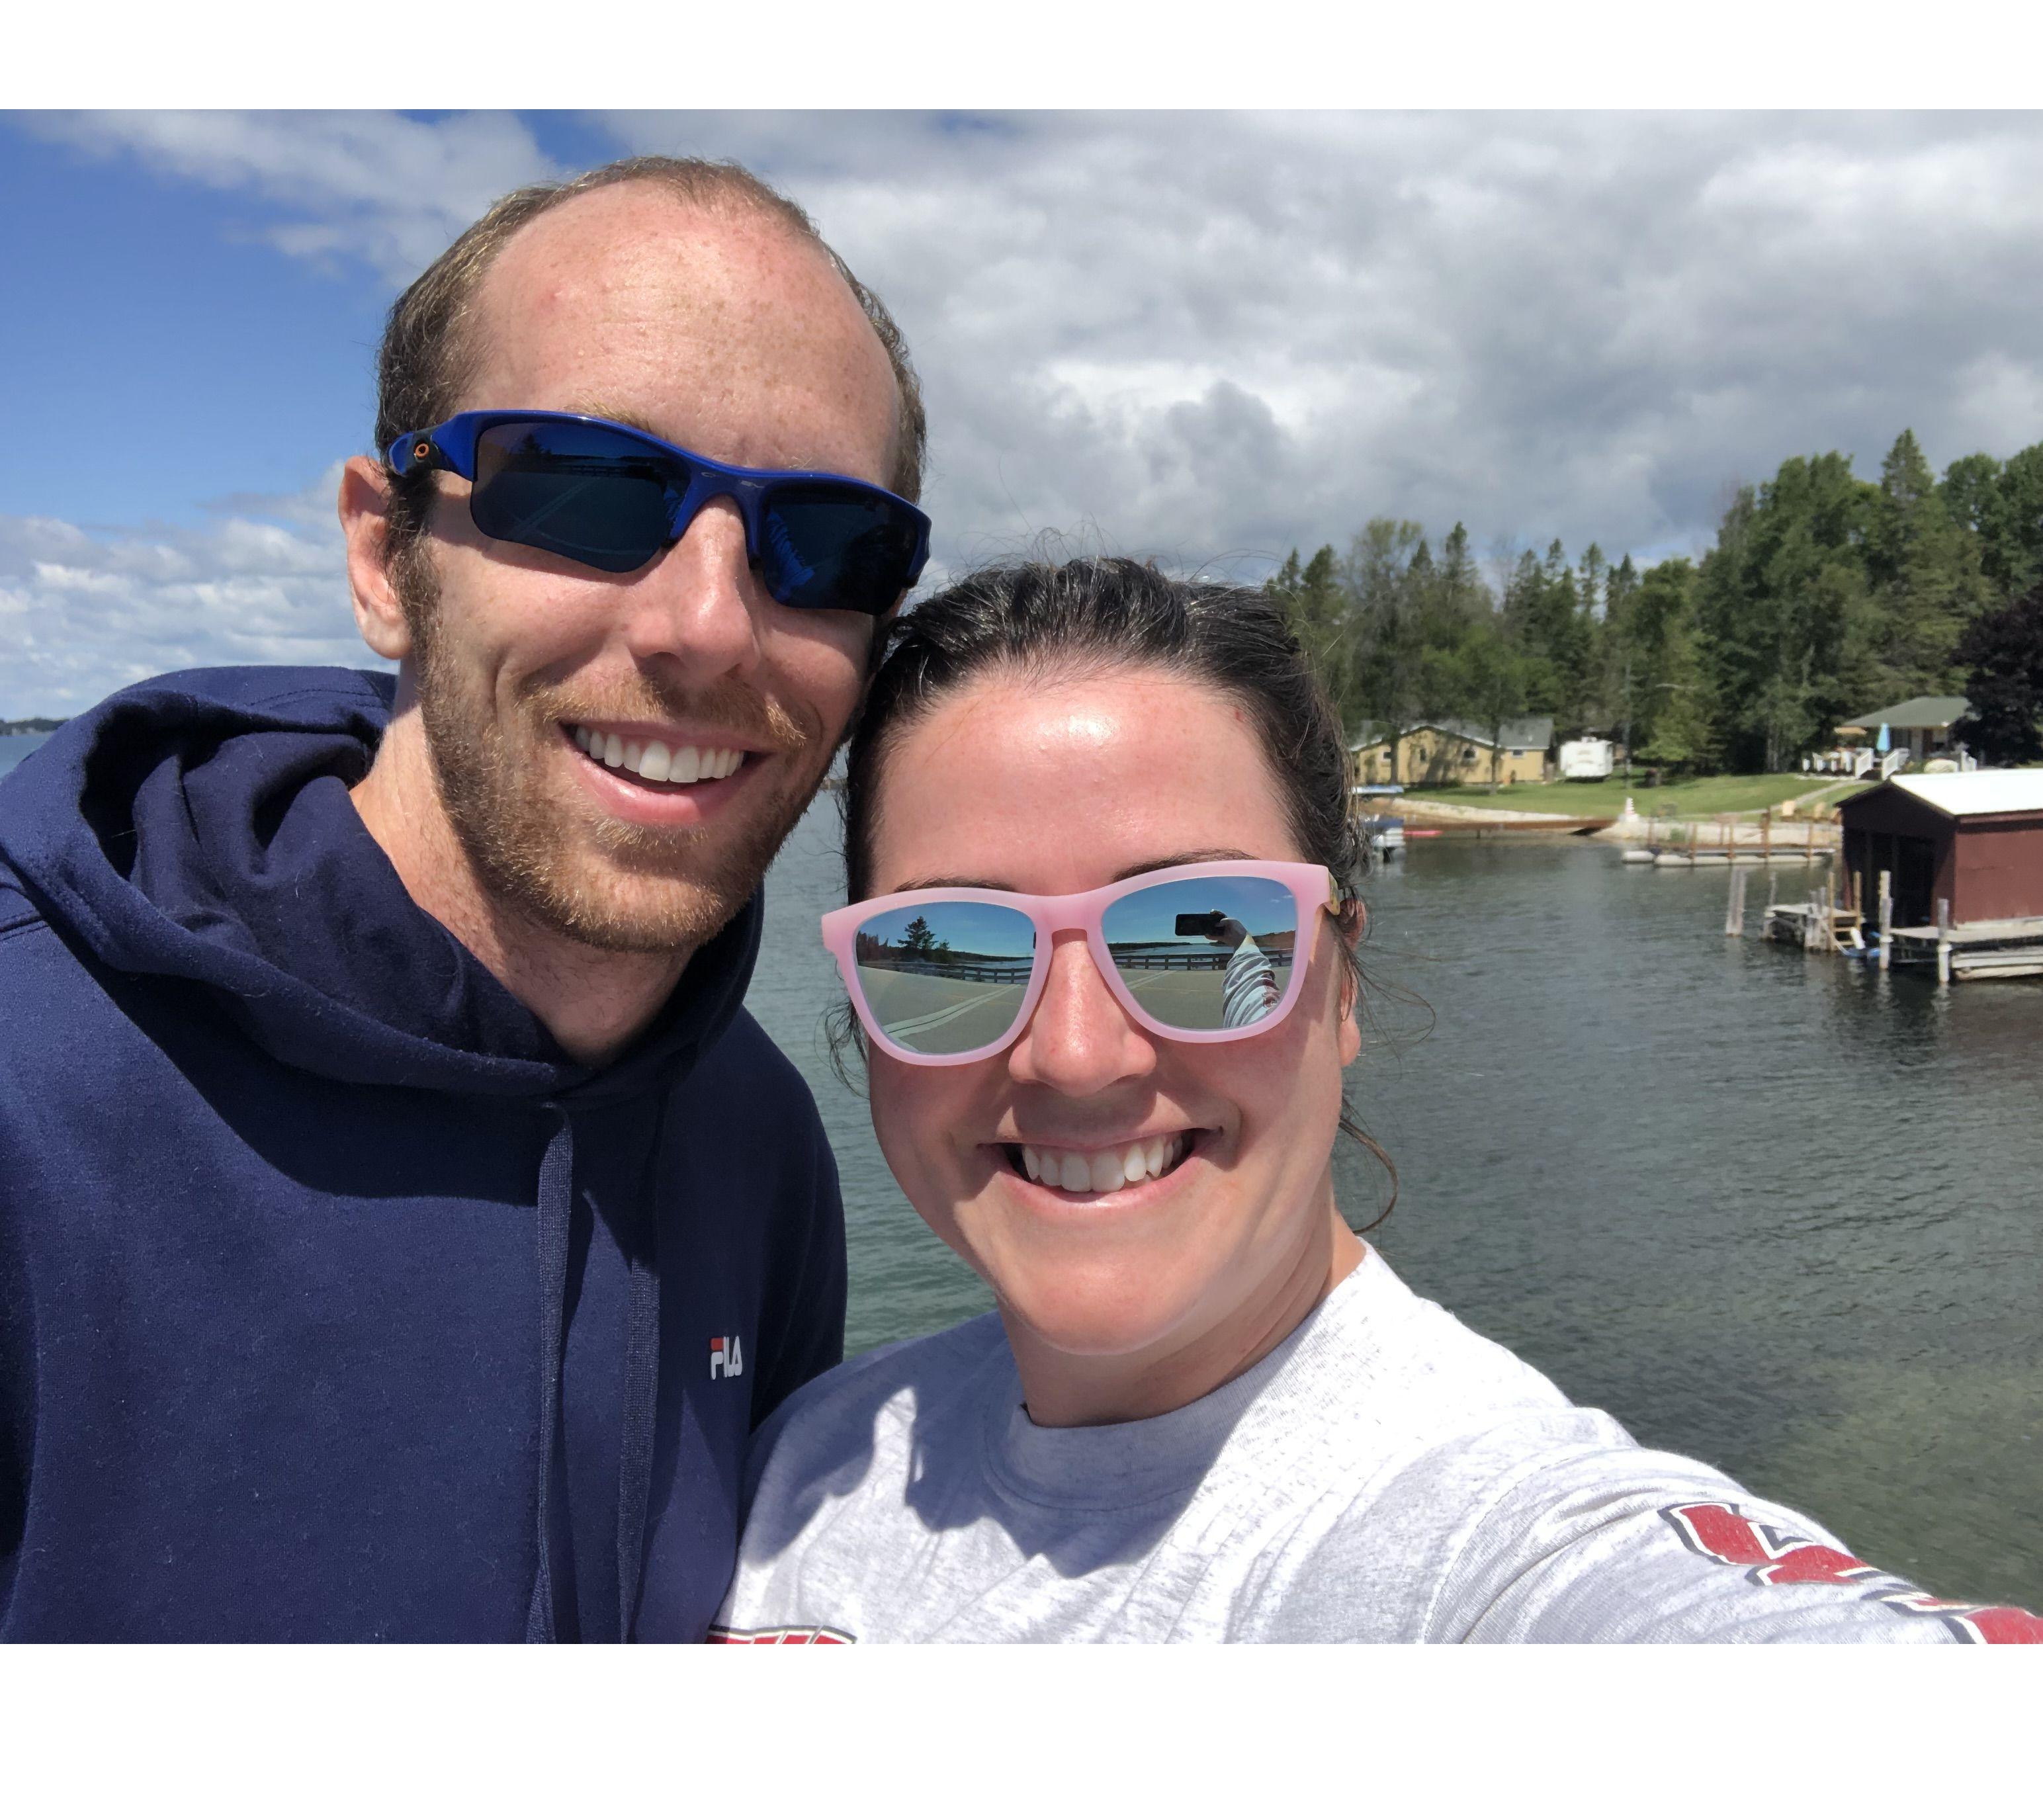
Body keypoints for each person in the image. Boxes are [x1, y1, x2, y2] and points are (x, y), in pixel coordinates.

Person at [717, 558, 2042, 1643]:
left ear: (1338, 981)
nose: (1076, 1054)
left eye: (1197, 931)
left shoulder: (1471, 1535)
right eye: (952, 950)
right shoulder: (804, 1455)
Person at [0, 155, 932, 1641]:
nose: (706, 624)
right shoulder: (29, 1077)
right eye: (586, 486)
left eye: (825, 539)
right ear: (383, 553)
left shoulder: (757, 1148)